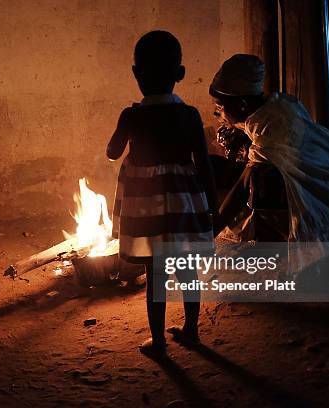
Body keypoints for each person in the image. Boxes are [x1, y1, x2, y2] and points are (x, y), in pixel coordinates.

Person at [107, 31, 217, 357]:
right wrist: (212, 205)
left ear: (135, 73)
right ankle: (192, 331)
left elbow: (112, 152)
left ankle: (158, 342)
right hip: (184, 204)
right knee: (186, 268)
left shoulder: (132, 116)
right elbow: (205, 163)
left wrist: (123, 136)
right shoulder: (190, 115)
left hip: (147, 210)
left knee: (155, 273)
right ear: (180, 74)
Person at [209, 54, 329, 273]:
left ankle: (273, 251)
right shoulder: (274, 105)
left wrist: (210, 231)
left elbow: (245, 185)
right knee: (226, 167)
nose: (218, 114)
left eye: (220, 107)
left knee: (261, 178)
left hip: (314, 196)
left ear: (243, 104)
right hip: (295, 181)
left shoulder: (271, 126)